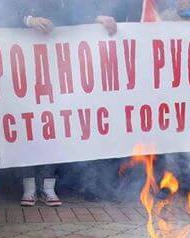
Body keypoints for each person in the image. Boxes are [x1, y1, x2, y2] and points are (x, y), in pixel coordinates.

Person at [15, 1, 119, 206]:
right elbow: (1, 14)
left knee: (53, 125)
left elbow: (73, 12)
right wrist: (29, 20)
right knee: (24, 125)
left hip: (56, 66)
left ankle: (47, 187)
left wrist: (94, 19)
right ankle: (28, 187)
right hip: (24, 66)